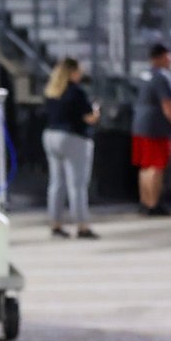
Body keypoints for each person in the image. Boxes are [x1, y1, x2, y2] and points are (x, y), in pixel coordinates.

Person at [42, 57, 100, 239]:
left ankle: (55, 224)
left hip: (51, 136)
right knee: (78, 185)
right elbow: (89, 118)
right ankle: (82, 225)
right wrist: (97, 111)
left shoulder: (51, 91)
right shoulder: (77, 92)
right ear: (73, 72)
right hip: (73, 137)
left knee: (56, 184)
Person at [131, 43, 171, 216]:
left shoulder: (144, 75)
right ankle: (154, 204)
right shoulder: (163, 77)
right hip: (156, 128)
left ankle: (145, 202)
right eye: (168, 56)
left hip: (140, 126)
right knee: (156, 166)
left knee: (145, 166)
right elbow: (168, 104)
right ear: (160, 57)